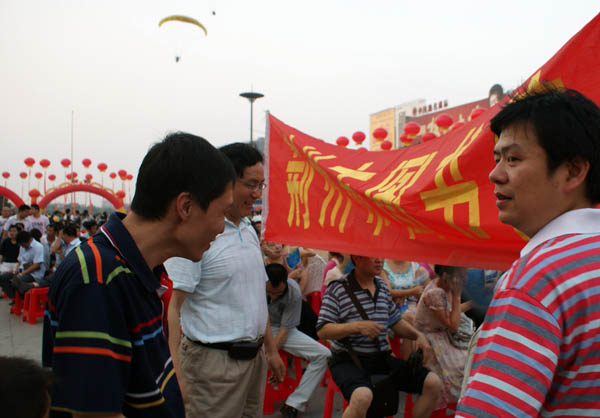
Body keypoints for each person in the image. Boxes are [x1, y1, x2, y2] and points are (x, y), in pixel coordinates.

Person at [42, 132, 236, 418]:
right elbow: (93, 414)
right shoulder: (97, 279)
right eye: (223, 213)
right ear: (185, 207)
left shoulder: (142, 269)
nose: (222, 228)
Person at [457, 88, 600, 417]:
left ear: (573, 171)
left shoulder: (537, 280)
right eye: (497, 159)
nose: (495, 174)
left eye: (513, 159)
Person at [166, 142, 285, 418]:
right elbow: (172, 309)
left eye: (261, 185)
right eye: (251, 184)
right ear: (225, 181)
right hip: (213, 368)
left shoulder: (248, 229)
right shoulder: (197, 232)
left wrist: (270, 350)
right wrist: (176, 374)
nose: (257, 194)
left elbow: (256, 298)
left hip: (254, 361)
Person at [317, 255, 441, 418]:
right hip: (348, 359)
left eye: (381, 256)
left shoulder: (381, 286)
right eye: (372, 256)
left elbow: (395, 321)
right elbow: (322, 330)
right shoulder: (338, 288)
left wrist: (417, 335)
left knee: (433, 383)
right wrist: (357, 326)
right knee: (362, 396)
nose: (379, 260)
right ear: (357, 258)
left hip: (381, 358)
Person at [265, 263, 331, 418]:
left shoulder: (293, 291)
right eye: (269, 292)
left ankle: (294, 403)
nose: (273, 297)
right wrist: (271, 359)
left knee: (324, 354)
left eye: (278, 293)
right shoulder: (255, 285)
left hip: (281, 328)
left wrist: (273, 357)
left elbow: (285, 330)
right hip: (256, 327)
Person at [414, 265, 473, 409]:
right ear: (446, 275)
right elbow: (453, 325)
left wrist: (474, 303)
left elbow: (453, 312)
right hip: (430, 340)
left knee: (472, 361)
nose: (465, 279)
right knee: (462, 368)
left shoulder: (446, 287)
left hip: (443, 336)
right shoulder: (435, 293)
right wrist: (457, 296)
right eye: (461, 275)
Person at [380, 259, 429, 358]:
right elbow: (387, 292)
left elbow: (427, 292)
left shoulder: (417, 267)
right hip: (392, 308)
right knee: (410, 319)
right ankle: (407, 361)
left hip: (413, 308)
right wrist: (410, 292)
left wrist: (420, 293)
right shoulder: (382, 266)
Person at [0, 230, 46, 299]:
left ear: (29, 240)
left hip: (33, 274)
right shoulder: (22, 246)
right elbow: (20, 261)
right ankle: (15, 298)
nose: (22, 246)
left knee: (16, 281)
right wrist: (16, 269)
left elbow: (36, 265)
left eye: (23, 245)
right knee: (3, 278)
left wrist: (22, 273)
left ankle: (24, 298)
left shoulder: (38, 247)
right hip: (21, 271)